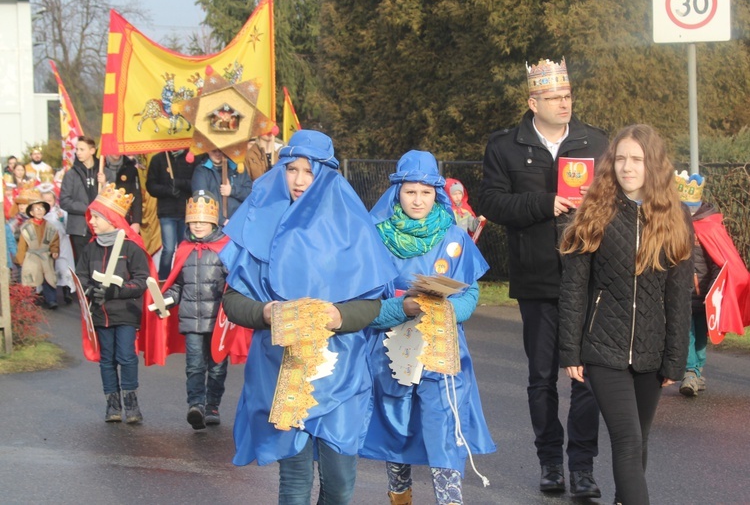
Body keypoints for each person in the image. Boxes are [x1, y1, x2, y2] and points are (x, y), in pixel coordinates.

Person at [220, 130, 397, 504]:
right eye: (291, 169)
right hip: (283, 371)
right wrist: (264, 311)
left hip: (341, 371)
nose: (299, 180)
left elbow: (373, 304)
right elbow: (233, 300)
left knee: (340, 483)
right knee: (295, 481)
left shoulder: (354, 227)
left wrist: (337, 315)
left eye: (309, 171)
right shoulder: (260, 220)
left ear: (327, 175)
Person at [479, 57, 608, 496]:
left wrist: (600, 201)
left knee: (587, 376)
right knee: (541, 377)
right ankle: (550, 461)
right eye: (555, 98)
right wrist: (543, 203)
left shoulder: (596, 141)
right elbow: (492, 204)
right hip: (536, 277)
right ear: (533, 102)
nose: (564, 104)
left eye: (568, 96)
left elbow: (622, 202)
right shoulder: (505, 147)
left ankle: (583, 466)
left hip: (589, 276)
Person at [558, 124, 694, 505]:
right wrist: (570, 350)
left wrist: (675, 360)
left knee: (639, 441)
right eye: (620, 159)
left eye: (636, 159)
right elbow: (573, 287)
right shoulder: (595, 211)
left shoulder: (676, 218)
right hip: (603, 348)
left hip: (651, 352)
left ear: (653, 165)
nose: (627, 167)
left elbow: (678, 298)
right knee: (628, 439)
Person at [361, 151, 496, 505]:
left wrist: (447, 310)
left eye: (425, 192)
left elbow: (470, 292)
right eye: (410, 192)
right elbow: (365, 306)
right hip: (392, 350)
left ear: (436, 193)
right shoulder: (375, 238)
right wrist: (399, 308)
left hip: (441, 350)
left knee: (444, 427)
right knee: (397, 426)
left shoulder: (454, 236)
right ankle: (399, 494)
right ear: (397, 193)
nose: (418, 200)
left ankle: (450, 501)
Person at [75, 183, 151, 424]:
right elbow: (81, 277)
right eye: (92, 217)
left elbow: (142, 281)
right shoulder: (90, 249)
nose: (92, 222)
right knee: (107, 358)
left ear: (111, 218)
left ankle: (131, 401)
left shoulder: (131, 247)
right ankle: (112, 404)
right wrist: (90, 290)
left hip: (126, 313)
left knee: (127, 357)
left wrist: (117, 292)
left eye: (97, 217)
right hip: (101, 314)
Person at [159, 190, 230, 430]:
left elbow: (233, 284)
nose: (198, 226)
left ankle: (212, 405)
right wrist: (166, 300)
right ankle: (196, 405)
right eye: (194, 221)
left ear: (213, 222)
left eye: (203, 221)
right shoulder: (184, 249)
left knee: (218, 366)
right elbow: (177, 284)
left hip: (218, 321)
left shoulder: (225, 249)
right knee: (194, 365)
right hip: (191, 320)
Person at [674, 172, 750, 397]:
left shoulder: (710, 225)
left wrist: (716, 289)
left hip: (705, 295)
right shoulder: (673, 226)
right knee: (685, 332)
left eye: (689, 209)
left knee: (701, 333)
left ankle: (696, 369)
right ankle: (690, 371)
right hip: (681, 293)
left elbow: (721, 261)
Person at [145, 149, 195, 279]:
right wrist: (167, 190)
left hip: (186, 211)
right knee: (168, 249)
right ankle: (163, 279)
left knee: (184, 248)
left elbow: (195, 183)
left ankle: (183, 277)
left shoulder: (191, 158)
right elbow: (150, 185)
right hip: (167, 211)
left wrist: (180, 183)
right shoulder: (158, 159)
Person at [16, 189, 59, 309]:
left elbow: (55, 241)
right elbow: (22, 244)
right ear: (31, 211)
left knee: (49, 278)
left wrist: (55, 251)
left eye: (42, 208)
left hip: (45, 255)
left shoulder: (50, 227)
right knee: (30, 277)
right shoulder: (26, 227)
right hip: (32, 256)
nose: (40, 211)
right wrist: (20, 259)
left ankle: (51, 299)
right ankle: (29, 299)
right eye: (37, 209)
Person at [60, 136, 99, 263]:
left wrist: (105, 183)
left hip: (101, 227)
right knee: (82, 265)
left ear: (92, 151)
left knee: (100, 264)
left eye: (82, 149)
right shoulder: (71, 174)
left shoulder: (104, 173)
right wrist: (87, 209)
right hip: (79, 228)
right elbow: (64, 201)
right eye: (77, 149)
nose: (78, 152)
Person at [191, 148, 252, 227]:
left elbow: (251, 194)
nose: (218, 154)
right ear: (208, 150)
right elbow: (201, 199)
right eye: (214, 151)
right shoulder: (201, 171)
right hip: (215, 225)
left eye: (221, 150)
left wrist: (232, 191)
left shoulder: (238, 169)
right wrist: (221, 220)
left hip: (240, 222)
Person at [41, 188, 75, 304]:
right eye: (44, 200)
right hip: (47, 245)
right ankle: (50, 296)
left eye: (49, 200)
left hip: (62, 243)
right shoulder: (40, 213)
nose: (47, 203)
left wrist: (62, 220)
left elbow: (67, 228)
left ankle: (67, 290)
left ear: (54, 200)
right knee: (49, 269)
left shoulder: (61, 213)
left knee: (63, 266)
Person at [98, 155, 143, 233]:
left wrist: (136, 222)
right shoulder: (99, 167)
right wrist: (103, 184)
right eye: (113, 147)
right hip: (103, 218)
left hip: (124, 218)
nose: (116, 151)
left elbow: (137, 196)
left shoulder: (130, 168)